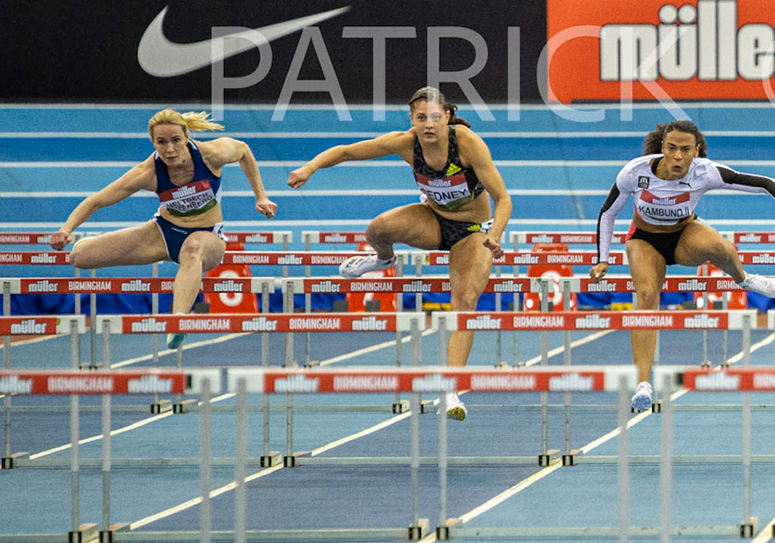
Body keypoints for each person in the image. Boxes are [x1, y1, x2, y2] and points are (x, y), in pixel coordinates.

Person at [287, 87, 512, 420]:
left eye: (435, 117)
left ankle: (451, 390)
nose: (428, 124)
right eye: (421, 118)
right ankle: (383, 259)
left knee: (464, 301)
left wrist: (494, 236)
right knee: (377, 229)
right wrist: (310, 168)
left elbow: (504, 199)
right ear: (412, 120)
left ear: (447, 116)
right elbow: (348, 152)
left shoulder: (466, 143)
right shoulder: (405, 143)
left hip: (472, 231)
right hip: (434, 220)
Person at [591, 119, 775, 413]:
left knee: (720, 246)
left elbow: (766, 184)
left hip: (684, 235)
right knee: (646, 296)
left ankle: (744, 279)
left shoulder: (705, 172)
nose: (678, 157)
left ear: (697, 151)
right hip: (644, 240)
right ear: (662, 148)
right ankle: (643, 384)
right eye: (671, 149)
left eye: (685, 150)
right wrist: (602, 258)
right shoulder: (635, 172)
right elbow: (608, 213)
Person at [48, 110, 276, 348]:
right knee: (79, 257)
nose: (169, 150)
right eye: (162, 142)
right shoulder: (147, 173)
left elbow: (244, 151)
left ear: (186, 136)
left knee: (193, 248)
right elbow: (97, 200)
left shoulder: (211, 155)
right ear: (153, 142)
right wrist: (66, 229)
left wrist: (260, 196)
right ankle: (89, 242)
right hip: (163, 233)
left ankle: (177, 321)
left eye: (176, 141)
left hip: (208, 237)